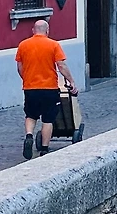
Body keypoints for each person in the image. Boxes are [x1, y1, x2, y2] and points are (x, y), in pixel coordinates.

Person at [15, 17, 77, 158]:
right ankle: (44, 149)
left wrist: (27, 79)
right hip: (49, 88)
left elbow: (19, 67)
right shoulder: (53, 45)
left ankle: (29, 136)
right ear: (47, 31)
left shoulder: (23, 45)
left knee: (30, 115)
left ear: (33, 30)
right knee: (48, 119)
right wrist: (71, 81)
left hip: (30, 88)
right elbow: (61, 65)